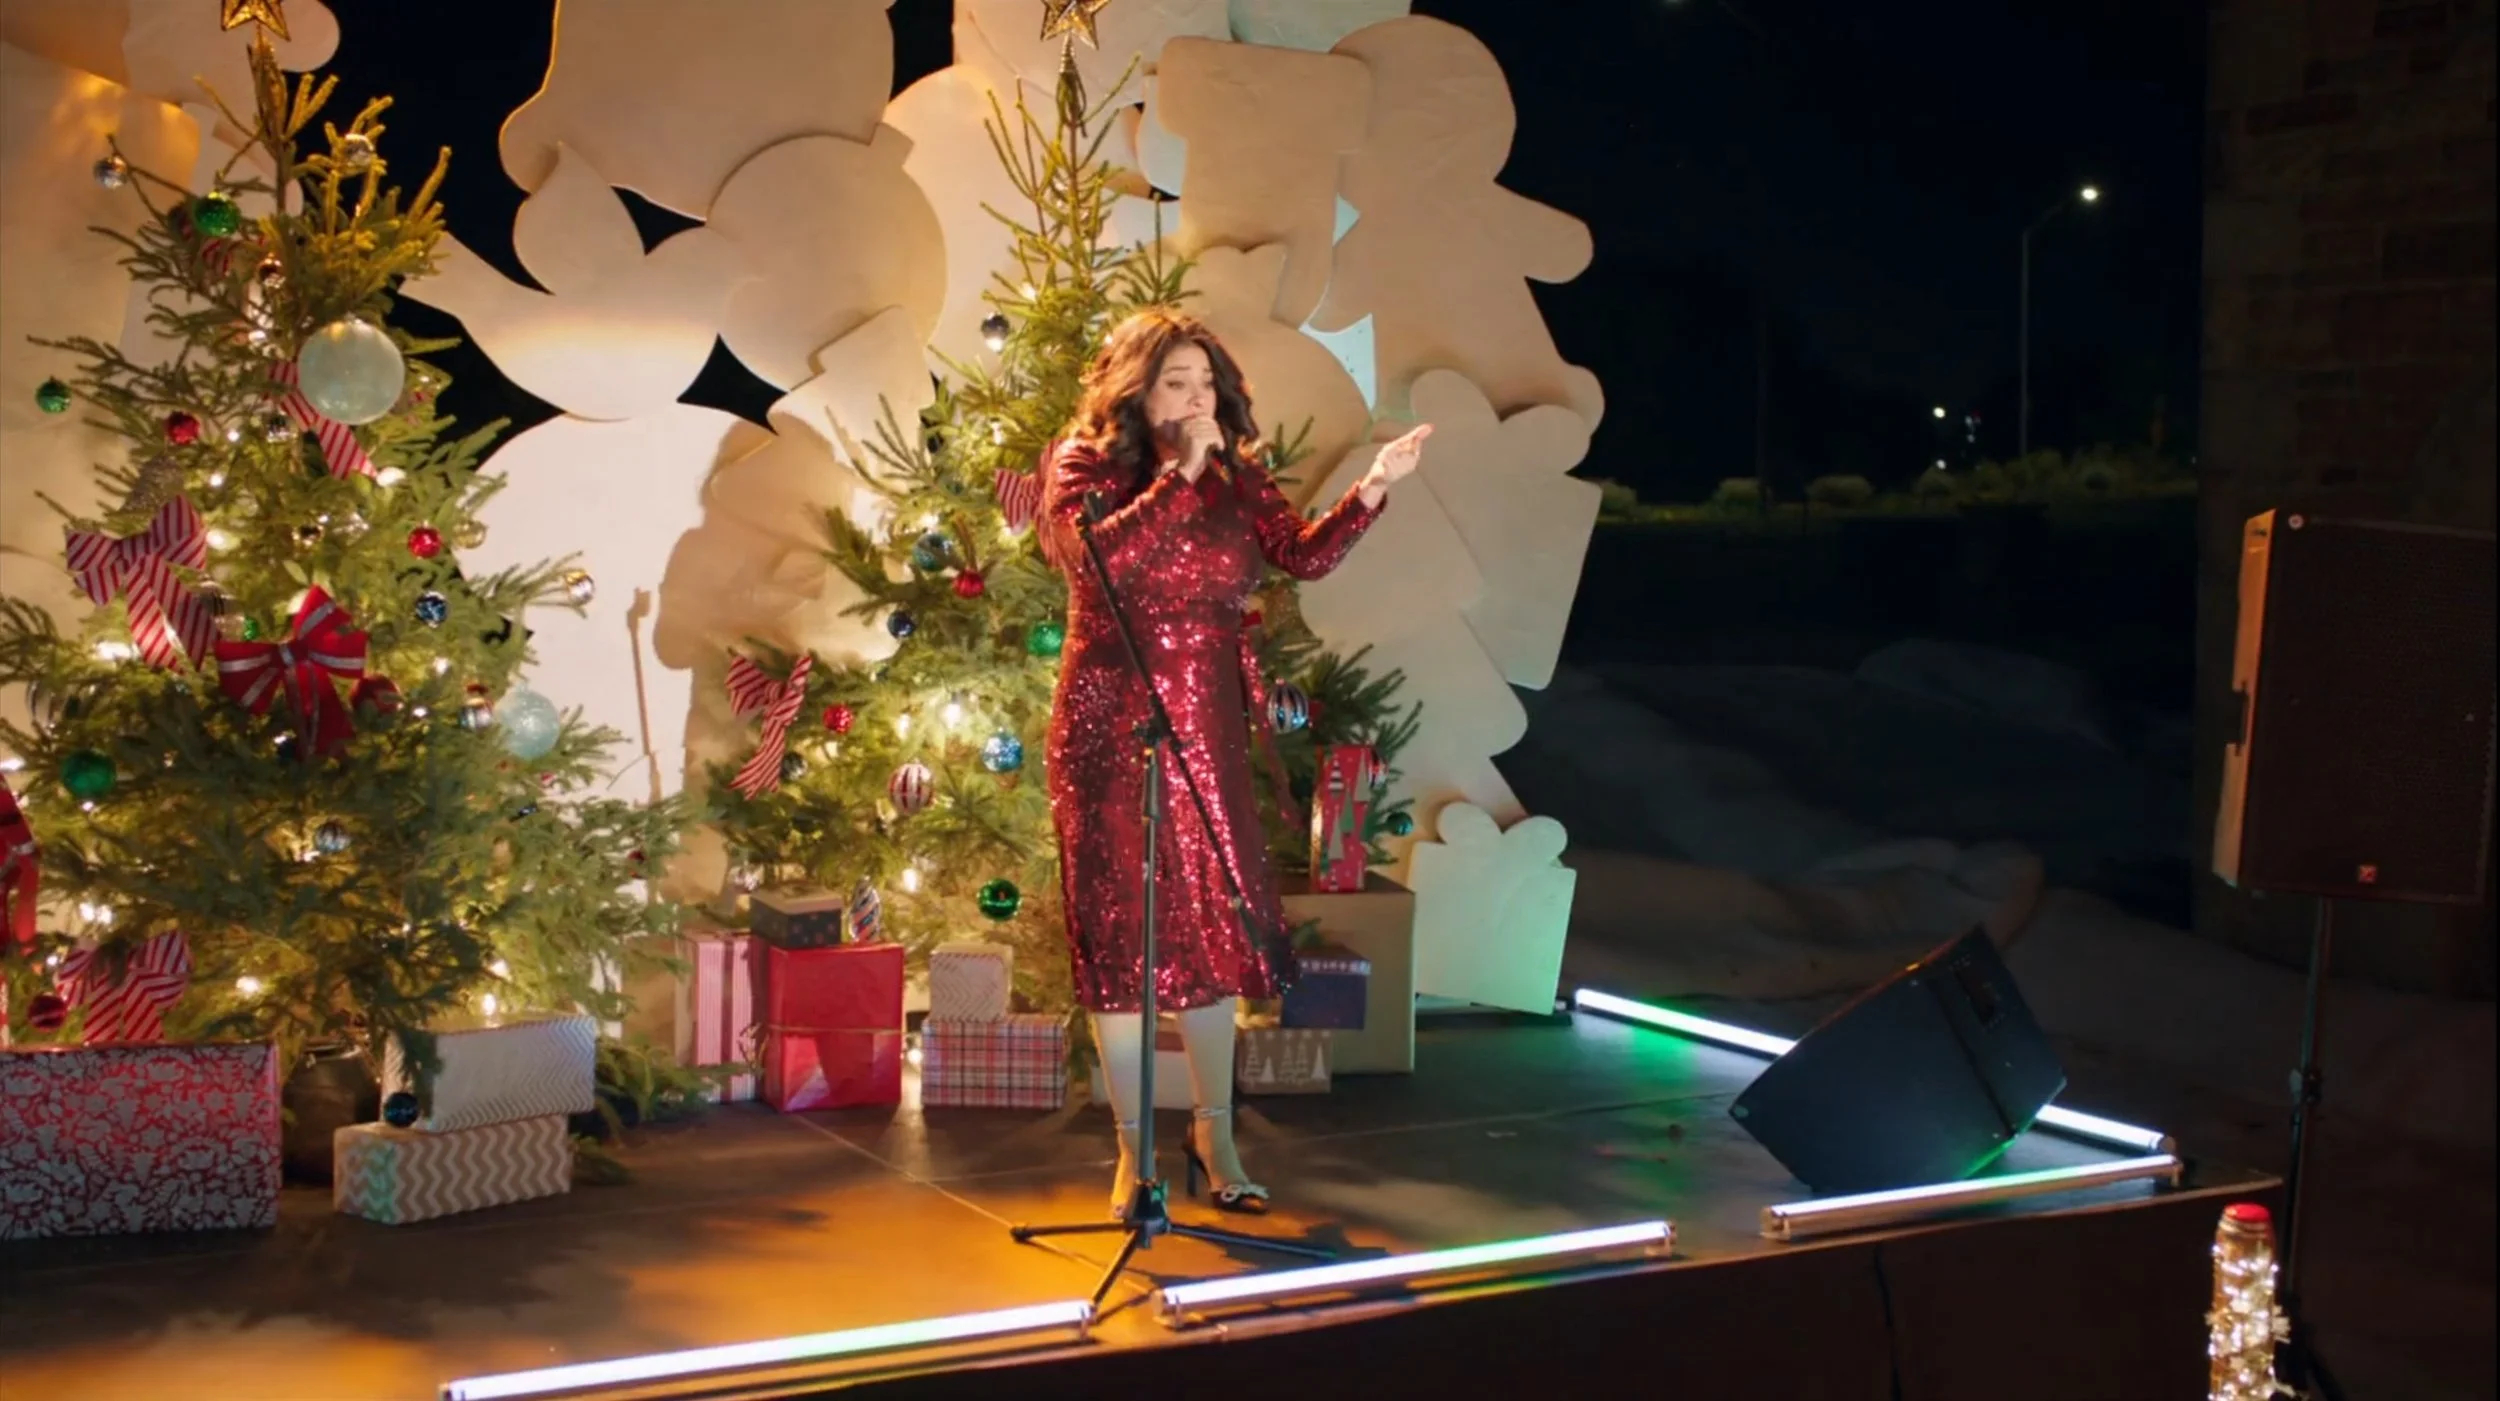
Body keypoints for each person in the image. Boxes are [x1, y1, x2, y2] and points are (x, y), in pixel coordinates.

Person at [1039, 309, 1430, 1217]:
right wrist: (1177, 477)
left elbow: (1303, 555)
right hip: (1108, 725)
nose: (1197, 399)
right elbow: (1098, 568)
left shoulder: (1237, 480)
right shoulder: (1081, 466)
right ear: (1136, 389)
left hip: (1204, 728)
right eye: (1177, 381)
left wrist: (1373, 487)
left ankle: (1216, 1129)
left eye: (1207, 383)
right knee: (1123, 940)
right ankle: (1134, 1155)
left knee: (1209, 935)